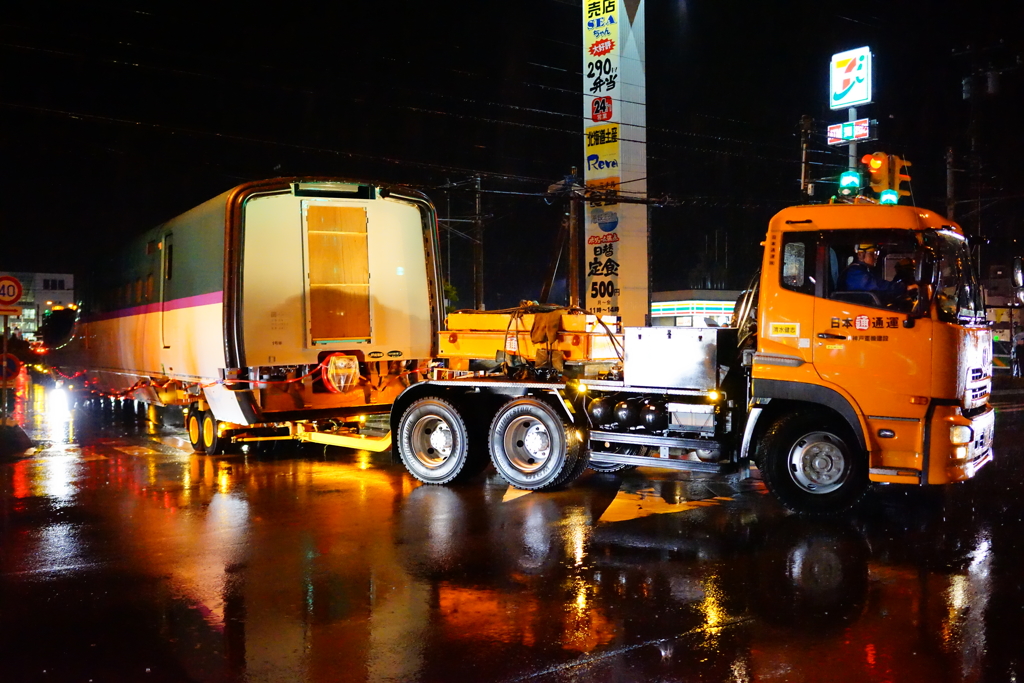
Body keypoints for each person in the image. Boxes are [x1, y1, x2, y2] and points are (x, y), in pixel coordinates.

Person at [837, 243, 917, 304]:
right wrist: (904, 288)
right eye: (872, 254)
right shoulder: (855, 272)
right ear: (860, 255)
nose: (875, 257)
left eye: (876, 254)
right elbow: (876, 285)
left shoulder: (864, 270)